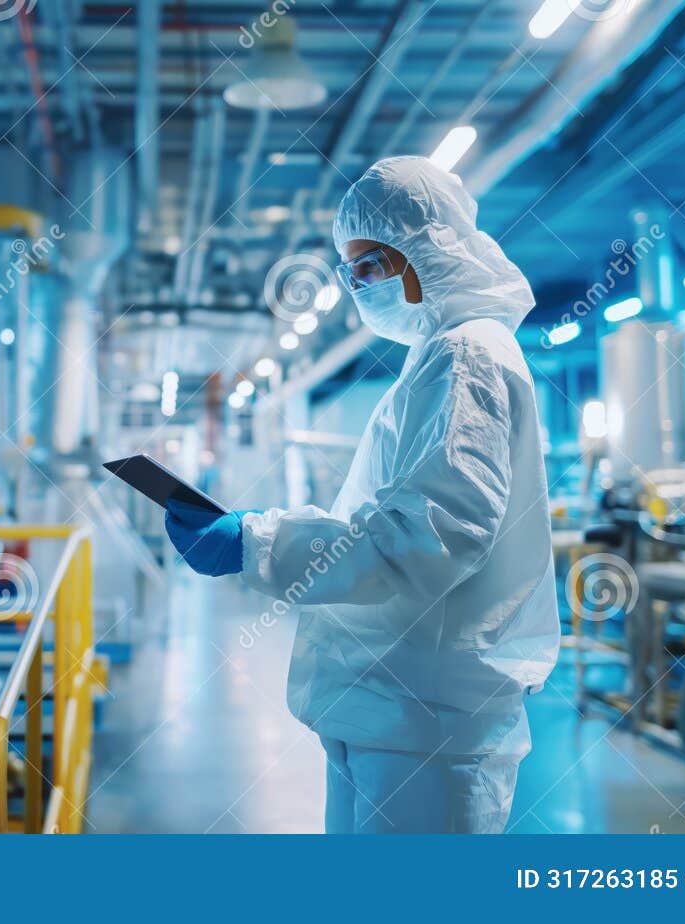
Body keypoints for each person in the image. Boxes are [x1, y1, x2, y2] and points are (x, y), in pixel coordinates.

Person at [164, 156, 560, 833]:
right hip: (392, 704)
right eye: (349, 272)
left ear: (424, 249)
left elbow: (429, 538)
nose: (357, 287)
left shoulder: (467, 356)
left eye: (368, 265)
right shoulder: (436, 356)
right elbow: (380, 520)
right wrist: (267, 526)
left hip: (427, 718)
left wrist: (260, 544)